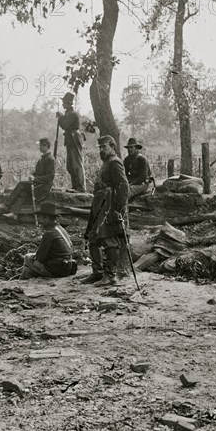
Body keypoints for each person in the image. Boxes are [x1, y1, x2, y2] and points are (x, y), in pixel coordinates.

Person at [82, 135, 129, 287]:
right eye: (100, 147)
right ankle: (98, 273)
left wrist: (118, 209)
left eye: (104, 147)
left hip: (109, 205)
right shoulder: (106, 162)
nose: (101, 150)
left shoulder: (115, 162)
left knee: (109, 240)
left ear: (113, 147)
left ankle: (110, 275)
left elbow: (123, 187)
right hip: (99, 203)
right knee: (93, 237)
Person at [0, 137, 55, 219]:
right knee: (23, 192)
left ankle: (6, 205)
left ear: (46, 146)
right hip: (38, 184)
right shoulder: (43, 158)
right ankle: (14, 213)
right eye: (40, 145)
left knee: (21, 184)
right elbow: (38, 173)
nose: (40, 147)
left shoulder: (50, 159)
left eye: (41, 145)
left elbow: (50, 177)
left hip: (43, 188)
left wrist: (35, 179)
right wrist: (33, 176)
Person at [20, 202, 77, 279]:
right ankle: (25, 278)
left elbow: (40, 258)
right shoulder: (60, 228)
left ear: (48, 218)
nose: (41, 220)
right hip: (69, 266)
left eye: (43, 218)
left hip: (58, 268)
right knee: (27, 270)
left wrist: (34, 256)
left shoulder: (49, 233)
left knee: (27, 257)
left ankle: (22, 281)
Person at [56, 92, 85, 192]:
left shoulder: (73, 114)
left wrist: (60, 117)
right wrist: (62, 117)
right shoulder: (68, 114)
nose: (62, 104)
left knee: (76, 164)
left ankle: (80, 187)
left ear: (68, 103)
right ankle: (75, 186)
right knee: (71, 165)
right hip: (70, 140)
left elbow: (65, 125)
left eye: (64, 102)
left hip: (74, 139)